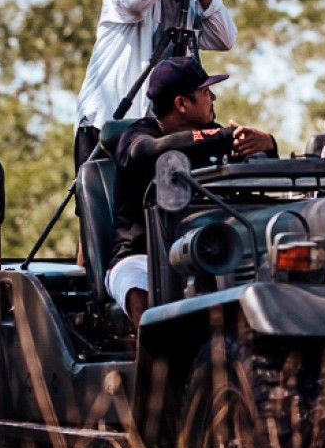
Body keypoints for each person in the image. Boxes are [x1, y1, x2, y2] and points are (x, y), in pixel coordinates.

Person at [104, 56, 276, 327]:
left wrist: (267, 145)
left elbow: (259, 175)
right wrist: (220, 137)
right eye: (206, 92)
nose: (213, 98)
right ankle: (155, 351)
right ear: (182, 104)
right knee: (136, 283)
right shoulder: (137, 135)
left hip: (212, 249)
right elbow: (148, 151)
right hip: (141, 255)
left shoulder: (213, 136)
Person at [74, 0, 237, 166]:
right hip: (108, 121)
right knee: (104, 193)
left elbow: (225, 38)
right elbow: (133, 2)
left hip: (157, 130)